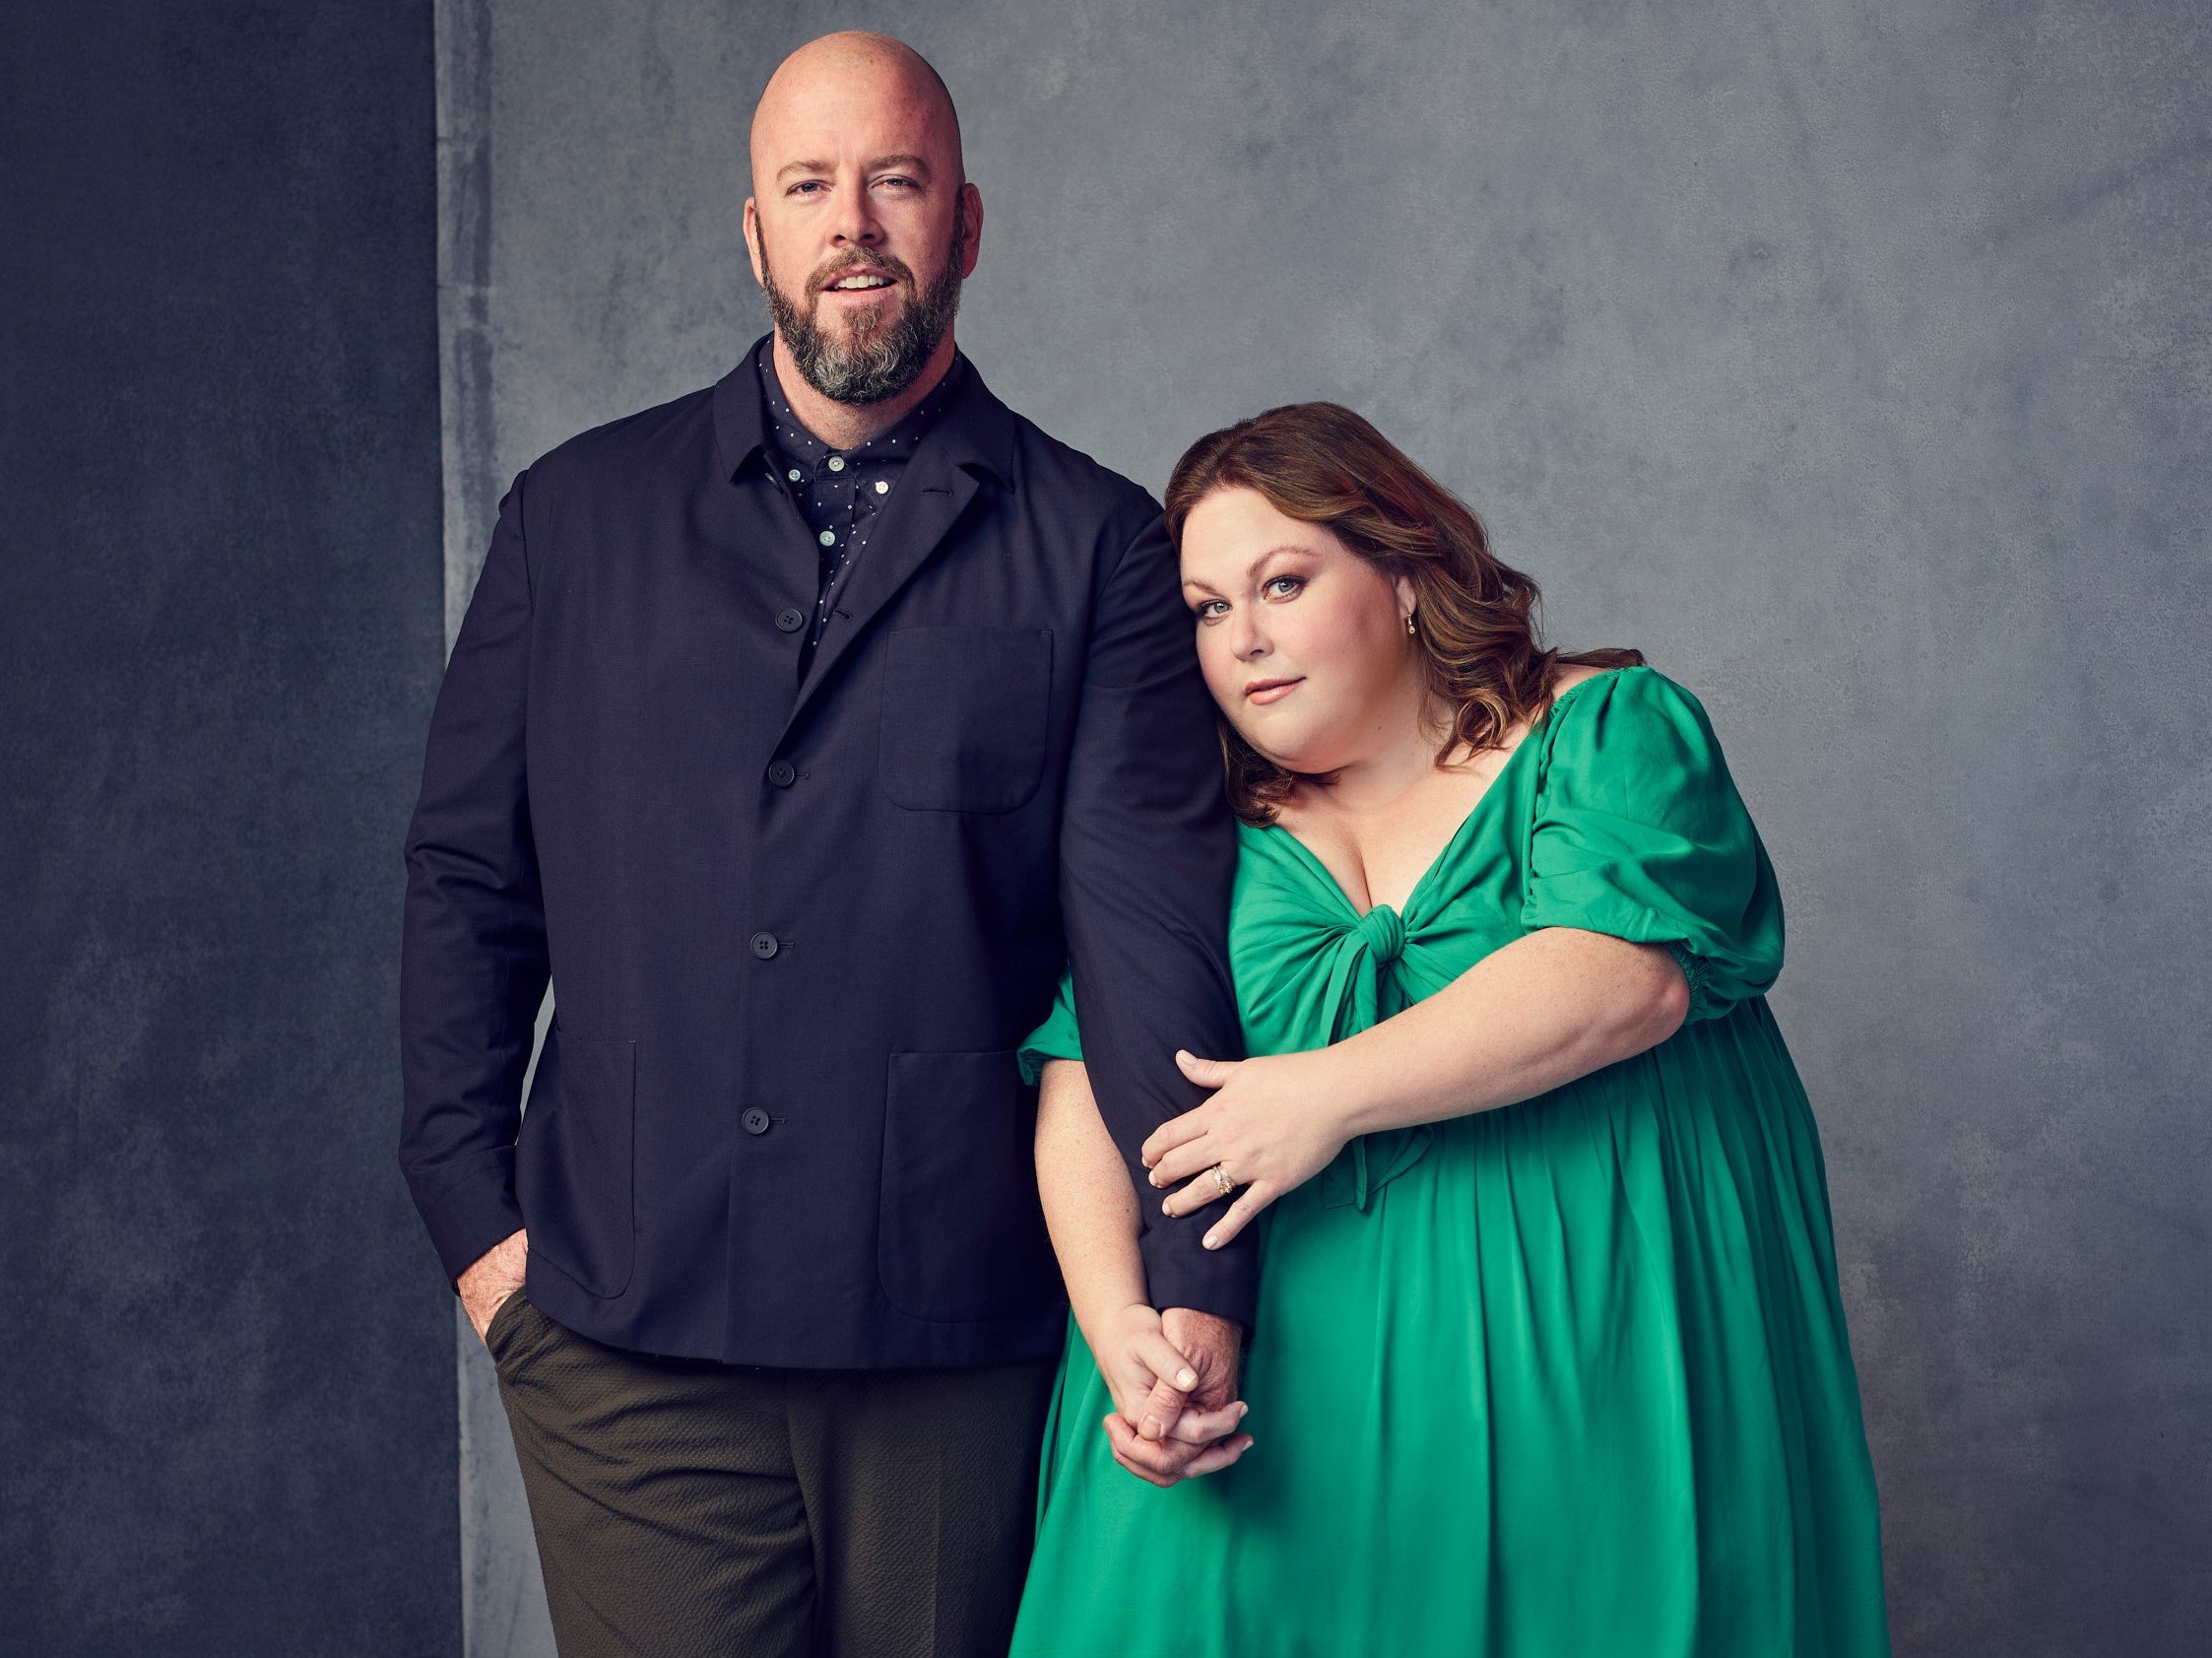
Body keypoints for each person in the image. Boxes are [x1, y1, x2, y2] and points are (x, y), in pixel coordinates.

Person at [397, 33, 1252, 1657]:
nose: (852, 222)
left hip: (954, 1341)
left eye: (896, 180)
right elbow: (467, 883)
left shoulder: (1096, 547)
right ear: (754, 233)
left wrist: (1194, 1276)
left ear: (966, 221)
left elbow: (1146, 943)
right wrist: (475, 1227)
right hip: (620, 1332)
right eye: (808, 186)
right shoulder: (571, 517)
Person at [1008, 403, 1893, 1657]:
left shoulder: (1603, 729)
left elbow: (1621, 978)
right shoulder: (1188, 828)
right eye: (1206, 608)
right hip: (1266, 1416)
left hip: (1594, 1379)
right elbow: (1080, 1085)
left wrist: (1318, 1095)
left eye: (1282, 583)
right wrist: (1121, 1335)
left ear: (1407, 575)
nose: (1243, 639)